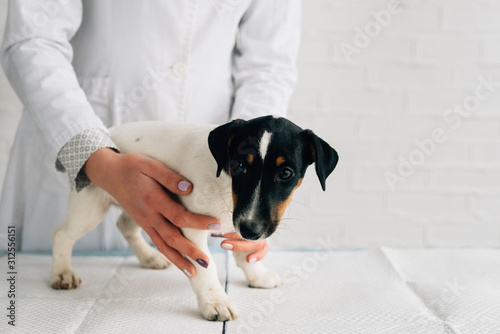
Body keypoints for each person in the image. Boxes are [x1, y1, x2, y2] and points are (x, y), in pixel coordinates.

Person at [0, 1, 301, 278]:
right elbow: (32, 38)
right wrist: (95, 157)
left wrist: (250, 166)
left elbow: (268, 65)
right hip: (82, 130)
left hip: (211, 165)